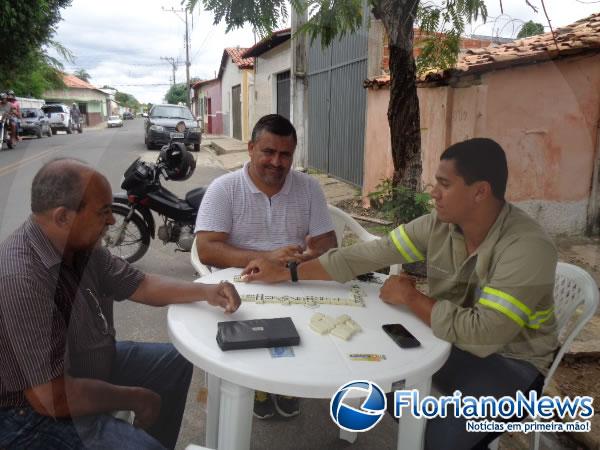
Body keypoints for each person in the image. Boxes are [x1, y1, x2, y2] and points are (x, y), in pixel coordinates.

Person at [241, 138, 558, 449]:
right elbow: (369, 254)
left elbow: (483, 337)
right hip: (444, 340)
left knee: (441, 440)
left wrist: (412, 298)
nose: (433, 193)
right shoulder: (439, 225)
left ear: (480, 192)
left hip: (511, 361)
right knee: (374, 373)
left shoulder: (526, 247)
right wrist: (288, 273)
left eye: (444, 184)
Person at [0, 159, 241, 450]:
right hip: (32, 413)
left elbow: (140, 283)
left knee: (174, 363)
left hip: (86, 364)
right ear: (63, 218)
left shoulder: (79, 247)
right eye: (103, 212)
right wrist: (134, 397)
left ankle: (155, 440)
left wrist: (206, 291)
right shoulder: (21, 278)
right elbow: (52, 396)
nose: (112, 220)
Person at [194, 113, 337, 419]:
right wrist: (267, 258)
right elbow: (206, 250)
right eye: (268, 152)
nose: (276, 162)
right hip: (239, 283)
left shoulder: (309, 188)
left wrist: (300, 260)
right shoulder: (224, 188)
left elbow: (328, 244)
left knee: (311, 332)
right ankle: (255, 383)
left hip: (293, 279)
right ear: (250, 149)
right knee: (249, 330)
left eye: (285, 154)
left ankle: (286, 383)